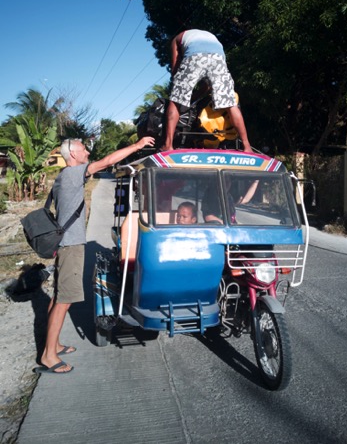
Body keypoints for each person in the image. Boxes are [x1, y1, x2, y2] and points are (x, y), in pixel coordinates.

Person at [35, 136, 155, 374]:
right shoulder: (72, 174)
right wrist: (138, 146)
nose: (88, 153)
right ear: (73, 155)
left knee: (59, 295)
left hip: (66, 244)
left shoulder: (65, 177)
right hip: (71, 246)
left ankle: (53, 344)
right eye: (84, 150)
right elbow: (108, 161)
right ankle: (48, 356)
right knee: (64, 299)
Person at [162, 29, 253, 153]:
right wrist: (193, 98)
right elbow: (206, 87)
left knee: (175, 101)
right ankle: (247, 146)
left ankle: (168, 145)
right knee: (231, 105)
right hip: (218, 57)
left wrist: (180, 95)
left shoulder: (176, 39)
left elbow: (175, 70)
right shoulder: (208, 35)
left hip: (194, 55)